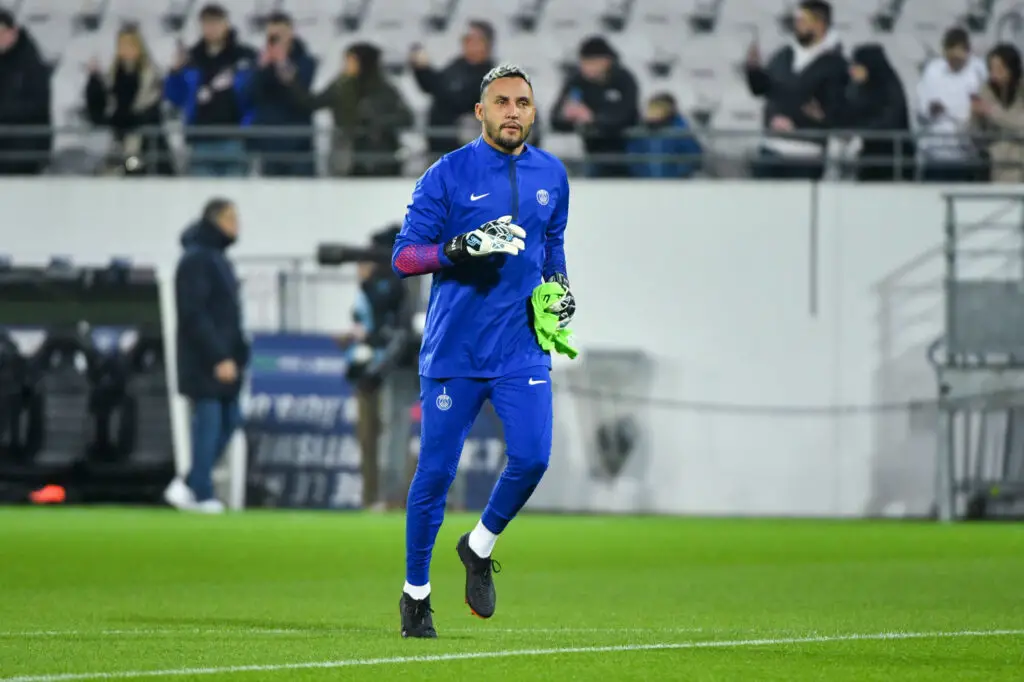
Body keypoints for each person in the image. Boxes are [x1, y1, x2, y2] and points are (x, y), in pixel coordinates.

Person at [390, 64, 575, 638]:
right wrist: (460, 247)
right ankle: (415, 595)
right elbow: (404, 257)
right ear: (480, 111)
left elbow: (552, 245)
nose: (512, 111)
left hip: (522, 346)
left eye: (522, 102)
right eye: (501, 102)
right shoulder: (446, 174)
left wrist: (561, 289)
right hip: (456, 350)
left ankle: (479, 544)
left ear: (534, 111)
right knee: (435, 475)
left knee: (533, 457)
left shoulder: (552, 173)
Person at [165, 198, 250, 515]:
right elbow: (194, 314)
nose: (237, 226)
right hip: (205, 361)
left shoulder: (217, 259)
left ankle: (190, 483)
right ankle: (201, 491)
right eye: (231, 219)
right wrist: (218, 356)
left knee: (230, 420)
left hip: (225, 359)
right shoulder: (196, 260)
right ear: (215, 221)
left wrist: (237, 353)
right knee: (209, 423)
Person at [745, 0, 847, 180]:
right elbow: (763, 90)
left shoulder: (836, 64)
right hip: (771, 148)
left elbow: (835, 112)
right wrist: (753, 71)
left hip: (806, 154)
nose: (797, 25)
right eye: (797, 20)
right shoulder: (784, 54)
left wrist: (803, 120)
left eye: (802, 20)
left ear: (820, 24)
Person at [288, 42, 412, 177]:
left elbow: (406, 118)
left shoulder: (385, 89)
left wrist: (377, 121)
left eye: (351, 61)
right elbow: (311, 103)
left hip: (381, 157)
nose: (345, 65)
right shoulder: (341, 86)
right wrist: (293, 82)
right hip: (348, 157)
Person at [164, 3, 258, 177]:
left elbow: (256, 95)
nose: (212, 28)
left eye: (216, 22)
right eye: (207, 23)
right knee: (202, 191)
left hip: (235, 139)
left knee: (234, 191)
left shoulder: (245, 56)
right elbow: (175, 98)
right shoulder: (191, 58)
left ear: (226, 24)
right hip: (201, 139)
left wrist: (247, 127)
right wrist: (175, 73)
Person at [85, 23, 174, 176]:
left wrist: (127, 119)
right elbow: (97, 112)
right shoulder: (111, 78)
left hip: (146, 145)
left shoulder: (151, 77)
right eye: (122, 45)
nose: (126, 49)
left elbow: (151, 113)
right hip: (119, 142)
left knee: (137, 170)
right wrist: (93, 82)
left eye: (130, 45)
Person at [550, 35, 639, 178]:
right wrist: (567, 116)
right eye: (583, 62)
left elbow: (627, 115)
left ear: (606, 61)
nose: (585, 67)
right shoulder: (576, 81)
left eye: (590, 62)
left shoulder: (624, 80)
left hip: (623, 150)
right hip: (588, 151)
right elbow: (555, 117)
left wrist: (593, 118)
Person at [410, 20, 496, 159]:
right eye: (466, 39)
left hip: (464, 149)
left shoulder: (490, 75)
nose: (468, 44)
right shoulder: (458, 65)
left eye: (474, 40)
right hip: (440, 144)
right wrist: (421, 69)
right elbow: (436, 86)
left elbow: (460, 99)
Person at [247, 11, 317, 177]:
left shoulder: (306, 61)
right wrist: (261, 69)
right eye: (271, 36)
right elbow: (251, 94)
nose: (276, 40)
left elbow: (300, 91)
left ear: (291, 33)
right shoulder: (260, 63)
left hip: (298, 142)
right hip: (269, 140)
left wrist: (282, 62)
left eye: (280, 35)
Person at [916, 27, 988, 182]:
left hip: (965, 152)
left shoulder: (977, 72)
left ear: (967, 52)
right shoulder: (933, 71)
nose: (955, 60)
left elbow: (982, 106)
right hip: (935, 152)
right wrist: (931, 109)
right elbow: (922, 106)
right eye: (951, 56)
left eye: (959, 55)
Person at [843, 44, 914, 181]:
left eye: (857, 66)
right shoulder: (858, 89)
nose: (853, 70)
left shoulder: (889, 87)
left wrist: (862, 131)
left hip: (892, 160)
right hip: (868, 159)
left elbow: (891, 119)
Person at [0, 8, 51, 175]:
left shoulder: (31, 63)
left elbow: (38, 105)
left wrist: (4, 110)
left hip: (25, 149)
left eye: (2, 32)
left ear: (13, 31)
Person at [970, 43, 1024, 183]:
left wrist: (993, 112)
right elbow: (975, 135)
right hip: (995, 163)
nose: (994, 74)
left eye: (999, 69)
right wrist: (975, 116)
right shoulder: (985, 91)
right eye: (991, 69)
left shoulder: (1021, 91)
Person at [627, 92, 703, 178]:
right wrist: (640, 174)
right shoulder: (640, 133)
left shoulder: (680, 132)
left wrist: (679, 174)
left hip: (674, 182)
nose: (654, 112)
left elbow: (692, 156)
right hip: (645, 182)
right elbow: (632, 156)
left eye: (659, 107)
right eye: (652, 108)